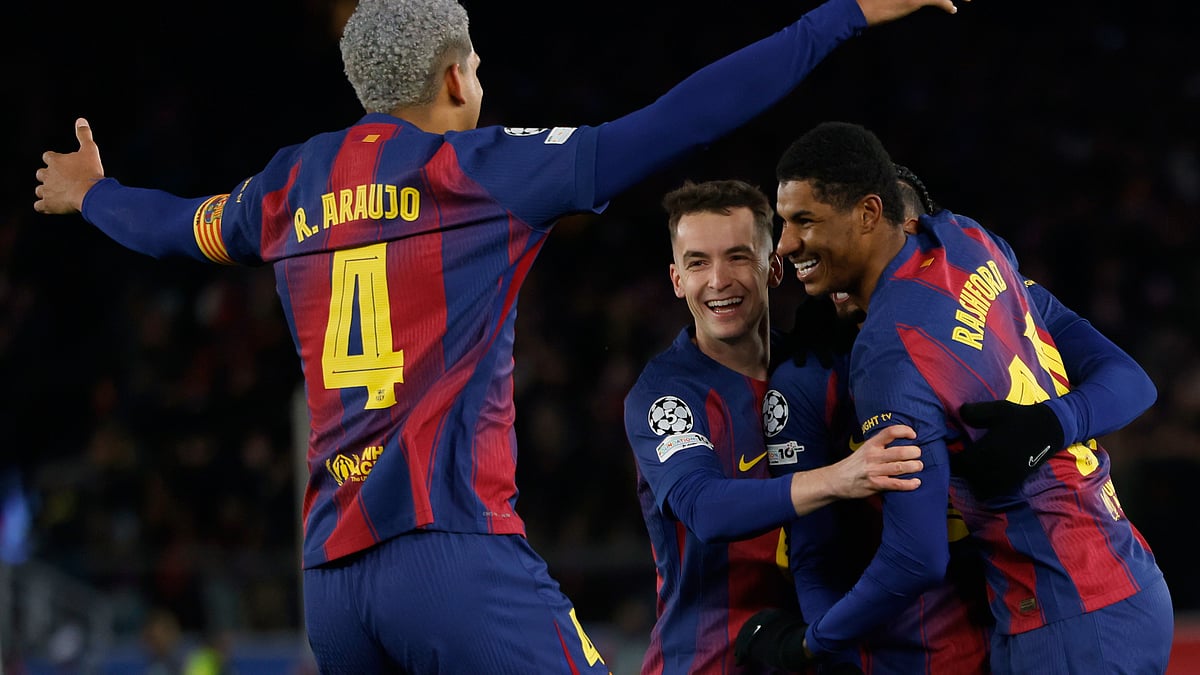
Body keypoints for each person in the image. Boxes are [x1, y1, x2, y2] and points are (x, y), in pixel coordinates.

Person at [32, 0, 967, 671]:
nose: (481, 80)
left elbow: (169, 226)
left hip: (329, 580)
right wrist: (840, 14)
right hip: (453, 553)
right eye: (475, 64)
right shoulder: (479, 170)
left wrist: (91, 194)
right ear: (453, 76)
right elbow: (686, 117)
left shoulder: (290, 185)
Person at [737, 121, 1171, 674]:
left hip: (1065, 615)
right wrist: (1055, 422)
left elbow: (916, 555)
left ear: (871, 214)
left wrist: (809, 642)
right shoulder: (971, 242)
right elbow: (1129, 376)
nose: (787, 243)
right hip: (1121, 578)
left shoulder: (888, 356)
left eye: (804, 221)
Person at [623, 179, 925, 674]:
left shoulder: (819, 369)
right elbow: (705, 508)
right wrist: (842, 477)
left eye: (739, 257)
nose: (718, 280)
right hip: (710, 663)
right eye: (698, 262)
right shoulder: (666, 394)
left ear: (775, 268)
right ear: (677, 280)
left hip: (816, 652)